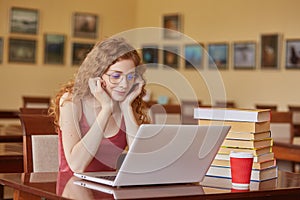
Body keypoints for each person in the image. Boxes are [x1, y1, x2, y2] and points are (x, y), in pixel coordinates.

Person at [49, 37, 150, 173]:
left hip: (109, 189)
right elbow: (76, 166)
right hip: (72, 188)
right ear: (98, 74)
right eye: (115, 76)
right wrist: (106, 109)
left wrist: (126, 107)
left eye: (130, 77)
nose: (124, 85)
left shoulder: (127, 103)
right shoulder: (72, 102)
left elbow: (139, 162)